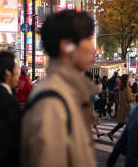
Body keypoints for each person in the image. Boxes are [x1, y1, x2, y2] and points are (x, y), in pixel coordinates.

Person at [21, 10, 97, 167]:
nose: (93, 48)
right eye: (88, 40)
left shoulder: (67, 92)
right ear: (67, 46)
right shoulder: (51, 101)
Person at [104, 74, 134, 141]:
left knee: (122, 123)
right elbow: (129, 99)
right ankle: (128, 138)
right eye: (128, 79)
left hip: (121, 108)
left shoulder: (120, 88)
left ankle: (112, 133)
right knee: (129, 123)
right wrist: (134, 96)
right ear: (127, 80)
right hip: (127, 108)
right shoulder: (127, 88)